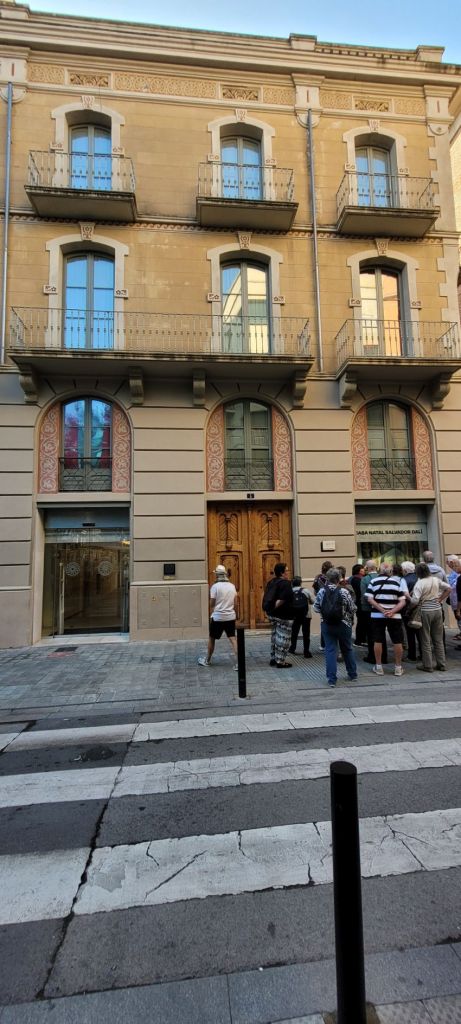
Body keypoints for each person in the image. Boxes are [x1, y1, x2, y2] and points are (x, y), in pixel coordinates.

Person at [313, 567, 357, 687]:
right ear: (339, 579)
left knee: (330, 650)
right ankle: (352, 674)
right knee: (347, 648)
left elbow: (316, 608)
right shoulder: (344, 591)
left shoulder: (322, 591)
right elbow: (353, 608)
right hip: (344, 624)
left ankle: (332, 679)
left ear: (327, 578)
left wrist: (325, 613)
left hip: (327, 624)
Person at [366, 562, 408, 676]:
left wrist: (382, 610)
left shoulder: (373, 581)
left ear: (380, 570)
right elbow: (403, 601)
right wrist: (392, 611)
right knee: (397, 641)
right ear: (390, 571)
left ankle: (379, 666)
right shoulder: (396, 582)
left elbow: (369, 599)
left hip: (377, 616)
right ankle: (398, 667)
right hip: (395, 616)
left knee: (378, 640)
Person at [410, 562, 450, 672]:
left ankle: (428, 665)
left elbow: (415, 600)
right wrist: (440, 599)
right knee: (438, 639)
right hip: (437, 609)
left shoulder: (419, 583)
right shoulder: (435, 580)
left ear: (418, 572)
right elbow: (449, 588)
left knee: (425, 639)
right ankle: (442, 664)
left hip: (425, 611)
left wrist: (409, 602)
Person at [198, 564, 238, 669]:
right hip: (230, 616)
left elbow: (212, 603)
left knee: (212, 639)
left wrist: (214, 608)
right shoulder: (232, 586)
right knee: (233, 639)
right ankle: (238, 663)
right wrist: (234, 613)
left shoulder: (215, 587)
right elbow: (235, 603)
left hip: (218, 617)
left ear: (217, 575)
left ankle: (207, 660)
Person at [264, 562, 295, 669]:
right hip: (284, 615)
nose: (288, 572)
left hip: (272, 615)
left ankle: (273, 658)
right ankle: (280, 661)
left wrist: (269, 610)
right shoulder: (286, 584)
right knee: (283, 637)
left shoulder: (271, 582)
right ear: (282, 573)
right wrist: (274, 608)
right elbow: (282, 599)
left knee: (275, 636)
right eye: (287, 570)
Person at [360, 559, 388, 665]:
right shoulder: (383, 578)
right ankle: (384, 656)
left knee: (371, 634)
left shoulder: (365, 579)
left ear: (367, 568)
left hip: (369, 610)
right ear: (376, 567)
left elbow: (365, 595)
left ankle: (372, 656)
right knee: (382, 633)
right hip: (383, 608)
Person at [400, 560, 421, 663]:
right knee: (420, 632)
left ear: (404, 570)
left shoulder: (403, 580)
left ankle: (412, 655)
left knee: (410, 633)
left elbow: (404, 595)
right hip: (420, 608)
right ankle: (423, 654)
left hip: (408, 609)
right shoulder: (419, 578)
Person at [289, 576, 314, 657]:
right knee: (306, 633)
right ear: (300, 583)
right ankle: (306, 651)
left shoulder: (290, 591)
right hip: (306, 615)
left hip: (294, 615)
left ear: (292, 583)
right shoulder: (305, 591)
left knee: (294, 632)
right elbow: (313, 601)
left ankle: (292, 648)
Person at [313, 561, 333, 649]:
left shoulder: (318, 578)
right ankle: (331, 643)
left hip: (321, 602)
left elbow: (315, 592)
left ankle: (323, 644)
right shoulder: (332, 578)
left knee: (323, 622)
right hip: (331, 601)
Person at [348, 564, 367, 646]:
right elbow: (361, 592)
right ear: (359, 571)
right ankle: (359, 640)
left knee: (361, 621)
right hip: (360, 603)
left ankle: (361, 639)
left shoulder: (351, 578)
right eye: (363, 569)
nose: (364, 570)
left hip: (355, 602)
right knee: (362, 622)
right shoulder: (358, 580)